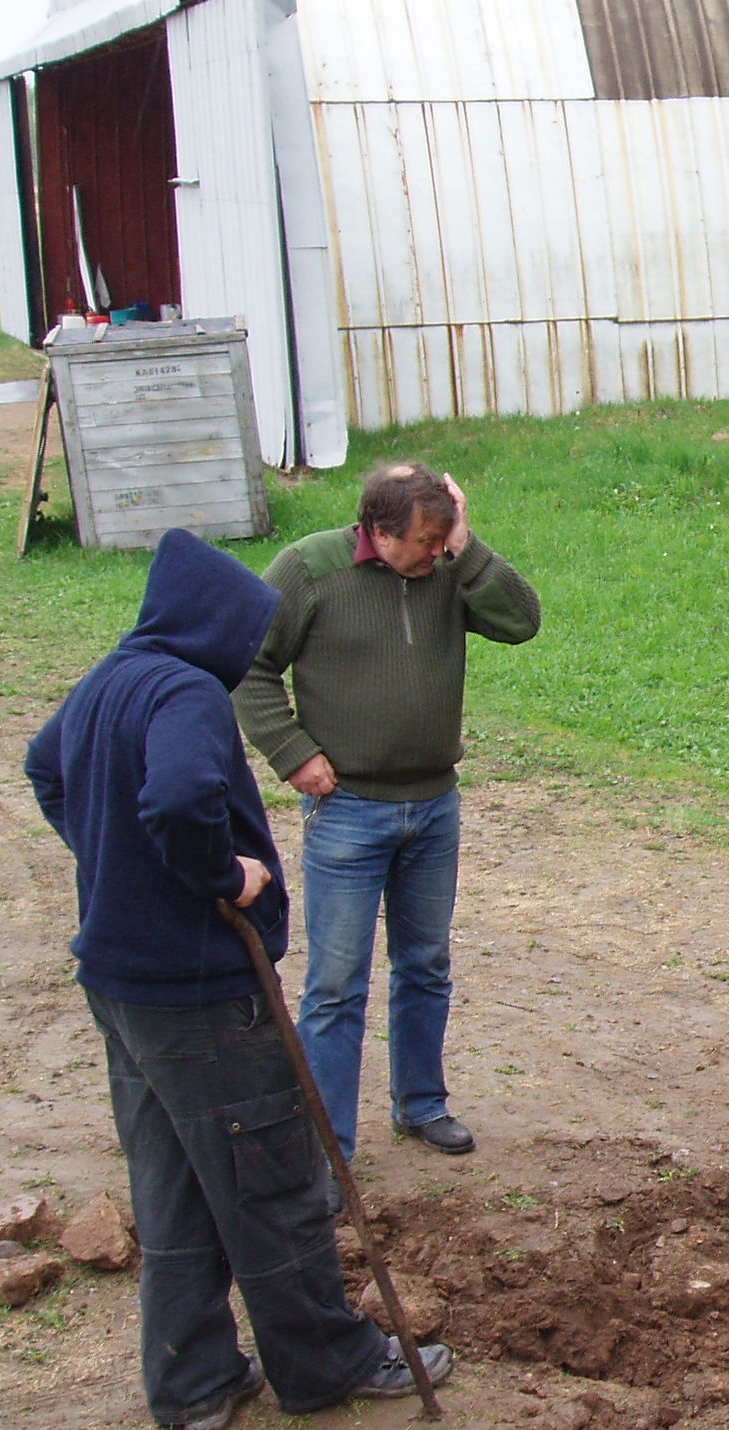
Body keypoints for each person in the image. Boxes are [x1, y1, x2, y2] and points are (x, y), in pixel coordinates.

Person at [25, 529, 454, 1430]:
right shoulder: (183, 690)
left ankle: (194, 1382)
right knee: (271, 1178)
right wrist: (223, 876)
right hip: (197, 992)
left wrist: (115, 867)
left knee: (173, 1181)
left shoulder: (111, 678)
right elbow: (180, 799)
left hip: (120, 985)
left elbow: (45, 768)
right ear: (212, 624)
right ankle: (323, 1360)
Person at [233, 462, 542, 1157]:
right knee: (336, 986)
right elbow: (248, 663)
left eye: (444, 540)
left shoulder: (448, 570)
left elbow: (521, 622)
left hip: (433, 806)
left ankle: (421, 1105)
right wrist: (291, 751)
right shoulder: (309, 570)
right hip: (348, 812)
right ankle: (327, 1147)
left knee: (425, 964)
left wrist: (465, 545)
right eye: (427, 542)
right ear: (378, 532)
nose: (436, 554)